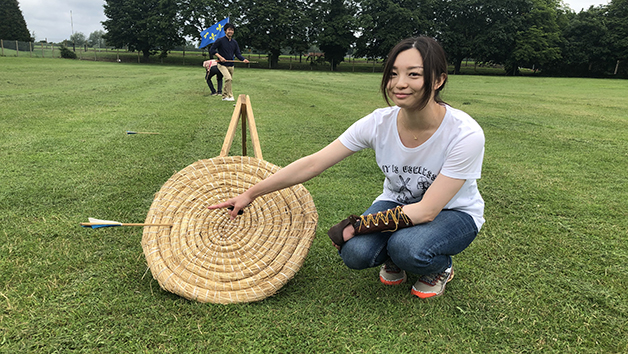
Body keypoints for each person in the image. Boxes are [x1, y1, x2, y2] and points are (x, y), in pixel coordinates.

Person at [209, 37, 485, 299]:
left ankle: (440, 266)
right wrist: (251, 194)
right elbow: (315, 162)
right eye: (393, 74)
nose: (399, 84)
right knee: (355, 253)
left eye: (414, 74)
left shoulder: (464, 134)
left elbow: (427, 210)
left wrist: (360, 225)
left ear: (438, 80)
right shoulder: (379, 123)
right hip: (396, 203)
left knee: (407, 248)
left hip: (453, 212)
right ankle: (393, 252)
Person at [209, 23, 249, 101]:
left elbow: (238, 54)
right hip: (222, 64)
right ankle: (230, 96)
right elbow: (212, 50)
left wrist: (243, 59)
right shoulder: (220, 40)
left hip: (231, 65)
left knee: (229, 81)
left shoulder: (234, 42)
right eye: (229, 30)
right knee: (228, 79)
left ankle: (224, 96)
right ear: (225, 31)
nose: (231, 31)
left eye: (232, 30)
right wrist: (220, 57)